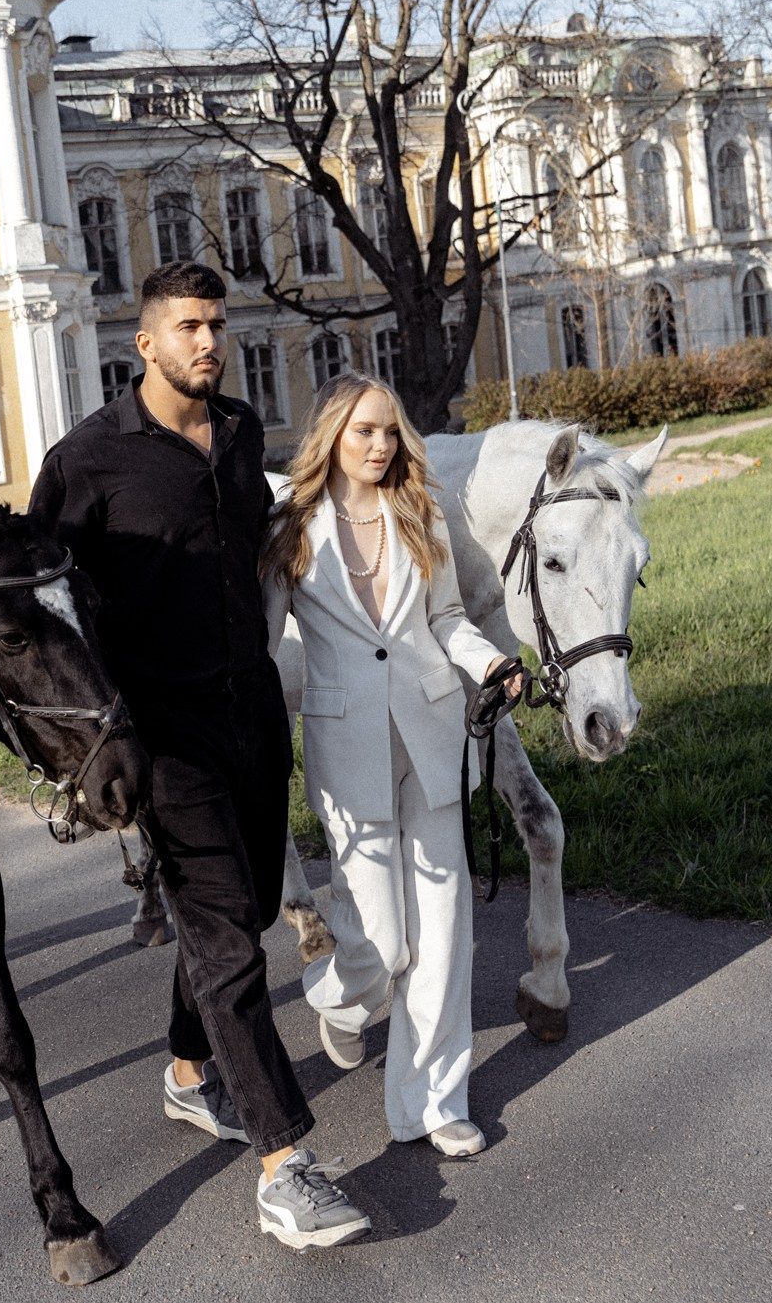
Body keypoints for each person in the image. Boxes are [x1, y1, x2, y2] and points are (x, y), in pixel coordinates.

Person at [30, 261, 370, 1252]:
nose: (207, 341)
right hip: (161, 737)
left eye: (215, 323)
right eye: (187, 326)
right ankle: (283, 1165)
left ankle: (187, 1070)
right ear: (143, 341)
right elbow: (42, 605)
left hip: (251, 713)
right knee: (226, 936)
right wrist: (80, 744)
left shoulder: (236, 435)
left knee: (254, 906)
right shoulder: (85, 460)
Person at [261, 371, 518, 1158]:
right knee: (378, 947)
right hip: (348, 752)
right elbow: (263, 646)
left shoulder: (421, 511)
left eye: (388, 431)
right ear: (332, 436)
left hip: (434, 733)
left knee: (442, 932)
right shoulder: (291, 525)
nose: (379, 445)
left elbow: (446, 618)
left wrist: (490, 664)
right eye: (363, 431)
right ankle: (336, 998)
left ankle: (433, 1104)